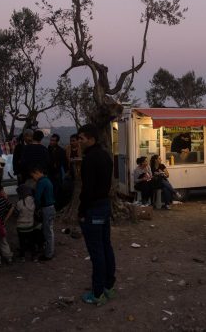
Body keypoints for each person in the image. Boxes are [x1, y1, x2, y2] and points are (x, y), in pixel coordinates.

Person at [78, 123, 116, 306]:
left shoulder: (89, 159)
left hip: (93, 209)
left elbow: (88, 190)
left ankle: (98, 293)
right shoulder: (106, 157)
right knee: (105, 246)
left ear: (91, 139)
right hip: (104, 206)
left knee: (97, 252)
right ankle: (109, 285)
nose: (79, 141)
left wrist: (82, 212)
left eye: (81, 138)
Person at [29, 166, 55, 261]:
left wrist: (36, 208)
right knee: (49, 230)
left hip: (46, 208)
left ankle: (48, 254)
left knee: (47, 231)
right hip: (51, 207)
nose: (33, 178)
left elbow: (37, 197)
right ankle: (49, 251)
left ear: (37, 172)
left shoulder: (41, 182)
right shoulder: (48, 180)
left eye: (33, 176)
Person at [14, 184, 39, 261]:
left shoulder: (19, 203)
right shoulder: (33, 200)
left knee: (22, 242)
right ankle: (34, 256)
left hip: (21, 227)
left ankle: (22, 257)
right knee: (32, 242)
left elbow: (16, 214)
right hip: (30, 225)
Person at [0, 188, 14, 266]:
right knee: (4, 241)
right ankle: (8, 257)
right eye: (2, 191)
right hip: (1, 225)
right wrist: (5, 219)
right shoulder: (3, 200)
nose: (4, 192)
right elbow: (12, 207)